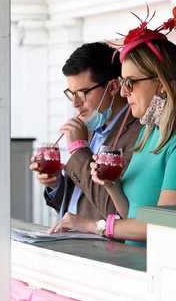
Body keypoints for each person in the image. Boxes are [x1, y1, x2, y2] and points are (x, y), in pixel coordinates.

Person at [62, 6, 176, 244]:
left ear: (161, 83)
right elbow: (132, 214)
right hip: (135, 263)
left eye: (131, 83)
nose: (124, 93)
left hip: (168, 268)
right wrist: (112, 186)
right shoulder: (150, 130)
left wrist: (92, 225)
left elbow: (165, 224)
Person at [29, 42, 141, 229]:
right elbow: (79, 200)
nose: (75, 103)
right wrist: (56, 183)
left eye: (82, 93)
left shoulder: (137, 132)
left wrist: (79, 149)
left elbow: (115, 210)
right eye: (71, 94)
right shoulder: (88, 127)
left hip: (105, 250)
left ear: (113, 87)